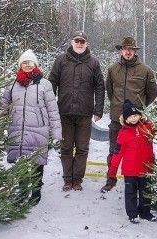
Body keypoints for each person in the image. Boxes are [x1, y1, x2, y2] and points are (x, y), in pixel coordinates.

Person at [1, 49, 62, 203]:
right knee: (20, 162)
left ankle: (36, 193)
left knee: (37, 163)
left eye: (30, 62)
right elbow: (3, 107)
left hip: (38, 130)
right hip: (17, 129)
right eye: (24, 62)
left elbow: (52, 110)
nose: (27, 65)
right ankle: (21, 191)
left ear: (35, 64)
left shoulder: (44, 84)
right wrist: (0, 127)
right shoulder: (12, 84)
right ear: (20, 65)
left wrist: (56, 133)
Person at [48, 31, 105, 191]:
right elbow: (52, 82)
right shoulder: (61, 60)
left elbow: (100, 87)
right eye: (77, 41)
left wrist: (98, 110)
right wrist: (50, 106)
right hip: (64, 111)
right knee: (66, 147)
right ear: (72, 42)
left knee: (82, 147)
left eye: (82, 41)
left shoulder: (94, 63)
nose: (79, 44)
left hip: (85, 113)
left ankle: (77, 179)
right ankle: (67, 179)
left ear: (87, 44)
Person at [100, 36, 157, 193]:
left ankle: (138, 182)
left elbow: (152, 93)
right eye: (125, 49)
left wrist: (138, 109)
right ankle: (110, 180)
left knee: (138, 153)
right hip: (116, 118)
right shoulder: (113, 69)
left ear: (135, 51)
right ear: (121, 50)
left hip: (136, 122)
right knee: (114, 151)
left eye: (131, 49)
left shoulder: (145, 70)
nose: (128, 51)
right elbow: (110, 92)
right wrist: (119, 109)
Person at [108, 100, 157, 223]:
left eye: (136, 115)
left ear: (140, 115)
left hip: (146, 167)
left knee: (146, 192)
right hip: (130, 170)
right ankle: (132, 214)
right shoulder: (123, 133)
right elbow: (118, 152)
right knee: (131, 192)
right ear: (125, 119)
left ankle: (145, 213)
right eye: (130, 116)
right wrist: (113, 168)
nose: (134, 118)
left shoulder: (148, 127)